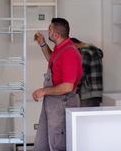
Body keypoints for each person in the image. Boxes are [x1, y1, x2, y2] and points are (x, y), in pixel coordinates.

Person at [32, 18, 83, 151]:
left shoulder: (69, 53)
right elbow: (52, 61)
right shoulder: (60, 48)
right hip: (52, 103)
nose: (47, 31)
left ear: (56, 35)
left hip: (62, 104)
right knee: (43, 143)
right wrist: (42, 44)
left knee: (57, 145)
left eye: (50, 29)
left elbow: (67, 87)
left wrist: (44, 91)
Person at [71, 38, 103, 107]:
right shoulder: (93, 49)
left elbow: (81, 74)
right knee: (91, 116)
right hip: (95, 92)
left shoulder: (85, 52)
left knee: (86, 117)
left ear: (75, 45)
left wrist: (72, 90)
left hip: (89, 93)